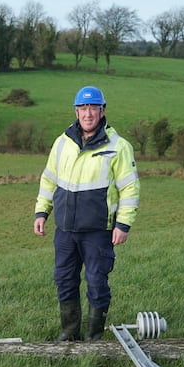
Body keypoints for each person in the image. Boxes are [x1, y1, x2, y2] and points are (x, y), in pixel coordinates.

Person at [34, 86, 140, 341]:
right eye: (83, 108)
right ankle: (69, 333)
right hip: (65, 231)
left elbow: (129, 187)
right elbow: (49, 180)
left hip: (98, 232)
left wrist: (123, 224)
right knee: (64, 280)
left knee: (96, 283)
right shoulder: (62, 143)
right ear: (76, 111)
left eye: (93, 108)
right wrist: (41, 212)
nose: (88, 114)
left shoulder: (118, 147)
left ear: (102, 111)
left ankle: (94, 338)